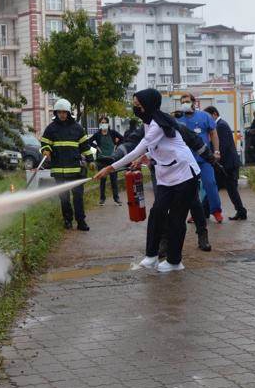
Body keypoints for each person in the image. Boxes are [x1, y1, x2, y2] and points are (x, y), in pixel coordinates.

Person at [96, 89, 200, 273]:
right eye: (134, 104)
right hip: (166, 176)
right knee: (157, 213)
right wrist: (147, 156)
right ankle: (151, 256)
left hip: (185, 175)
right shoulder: (149, 123)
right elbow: (154, 147)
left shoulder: (158, 125)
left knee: (176, 219)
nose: (135, 107)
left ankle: (175, 261)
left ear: (149, 104)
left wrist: (110, 168)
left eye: (138, 105)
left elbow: (137, 149)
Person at [40, 98, 95, 231]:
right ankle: (67, 220)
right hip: (59, 170)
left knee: (78, 197)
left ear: (69, 113)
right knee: (64, 198)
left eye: (64, 112)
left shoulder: (77, 128)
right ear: (56, 113)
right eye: (59, 112)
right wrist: (46, 149)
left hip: (76, 170)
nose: (62, 115)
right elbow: (44, 143)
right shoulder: (51, 128)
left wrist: (91, 160)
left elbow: (85, 146)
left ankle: (81, 222)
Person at [177, 92, 224, 223]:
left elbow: (213, 133)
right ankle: (196, 213)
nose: (184, 104)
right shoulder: (178, 119)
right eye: (182, 102)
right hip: (186, 161)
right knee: (191, 189)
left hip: (204, 159)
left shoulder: (205, 116)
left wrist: (217, 151)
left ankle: (216, 211)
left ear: (193, 103)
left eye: (187, 101)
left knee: (210, 183)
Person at [205, 106, 247, 220]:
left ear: (214, 114)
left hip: (227, 164)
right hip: (225, 164)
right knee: (216, 187)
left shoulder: (221, 126)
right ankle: (205, 211)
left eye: (208, 116)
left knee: (227, 188)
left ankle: (241, 211)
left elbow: (222, 146)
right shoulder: (219, 125)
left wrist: (214, 159)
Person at [88, 116, 123, 206]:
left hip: (112, 159)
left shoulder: (113, 133)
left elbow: (122, 138)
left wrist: (116, 145)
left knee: (114, 180)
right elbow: (88, 142)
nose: (103, 124)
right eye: (102, 123)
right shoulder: (97, 134)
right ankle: (102, 199)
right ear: (100, 124)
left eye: (105, 122)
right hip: (101, 160)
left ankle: (116, 198)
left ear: (108, 124)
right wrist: (96, 147)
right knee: (102, 180)